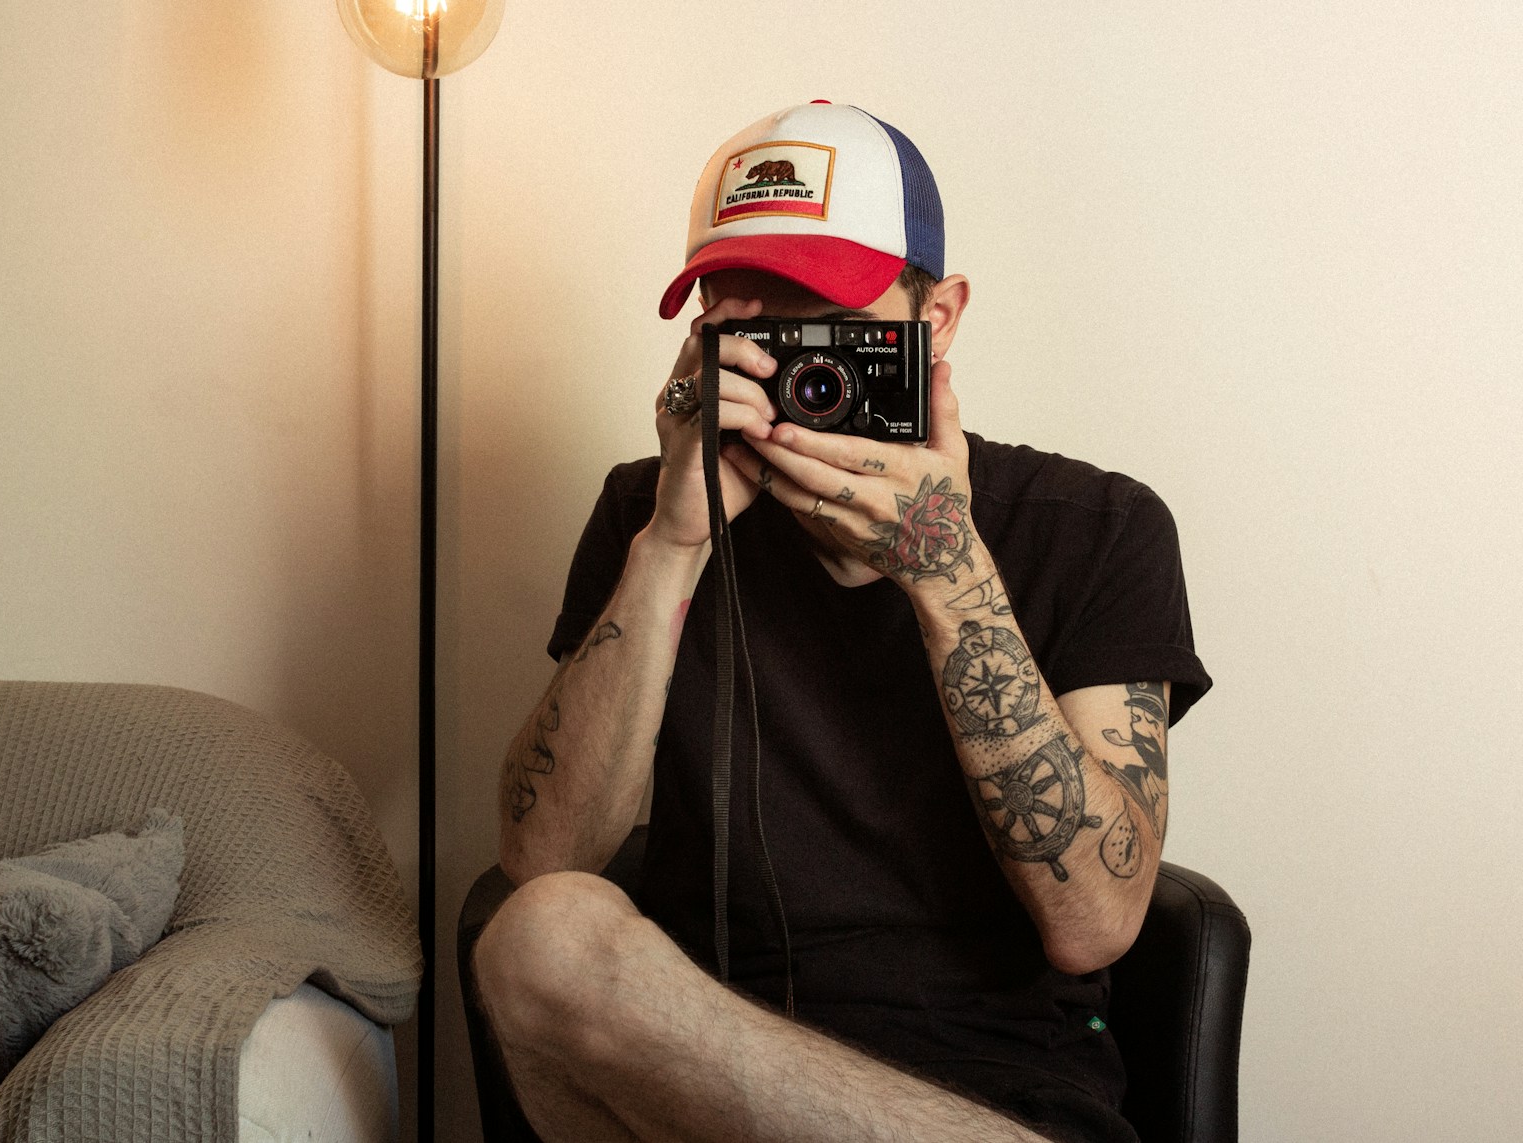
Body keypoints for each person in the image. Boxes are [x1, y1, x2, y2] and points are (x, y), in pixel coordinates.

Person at [474, 101, 1212, 1143]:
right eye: (747, 319)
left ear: (937, 317)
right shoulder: (649, 510)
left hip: (993, 1092)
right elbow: (545, 856)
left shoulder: (1095, 528)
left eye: (823, 317)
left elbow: (1093, 922)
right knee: (539, 934)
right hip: (695, 1074)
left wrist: (948, 573)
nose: (788, 357)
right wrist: (673, 548)